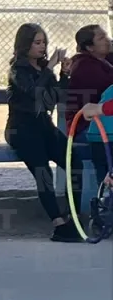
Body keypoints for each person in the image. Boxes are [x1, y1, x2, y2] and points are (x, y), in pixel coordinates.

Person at [5, 23, 82, 242]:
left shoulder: (43, 68)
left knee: (74, 160)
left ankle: (73, 216)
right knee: (43, 172)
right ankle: (58, 224)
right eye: (37, 43)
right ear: (25, 45)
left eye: (44, 42)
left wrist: (64, 74)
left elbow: (57, 96)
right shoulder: (17, 69)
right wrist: (49, 68)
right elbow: (34, 92)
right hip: (22, 129)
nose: (42, 47)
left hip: (44, 127)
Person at [65, 25, 113, 188]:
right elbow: (107, 86)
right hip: (86, 126)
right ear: (89, 47)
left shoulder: (103, 60)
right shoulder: (85, 67)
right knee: (105, 155)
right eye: (101, 38)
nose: (107, 40)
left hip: (103, 123)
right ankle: (105, 201)